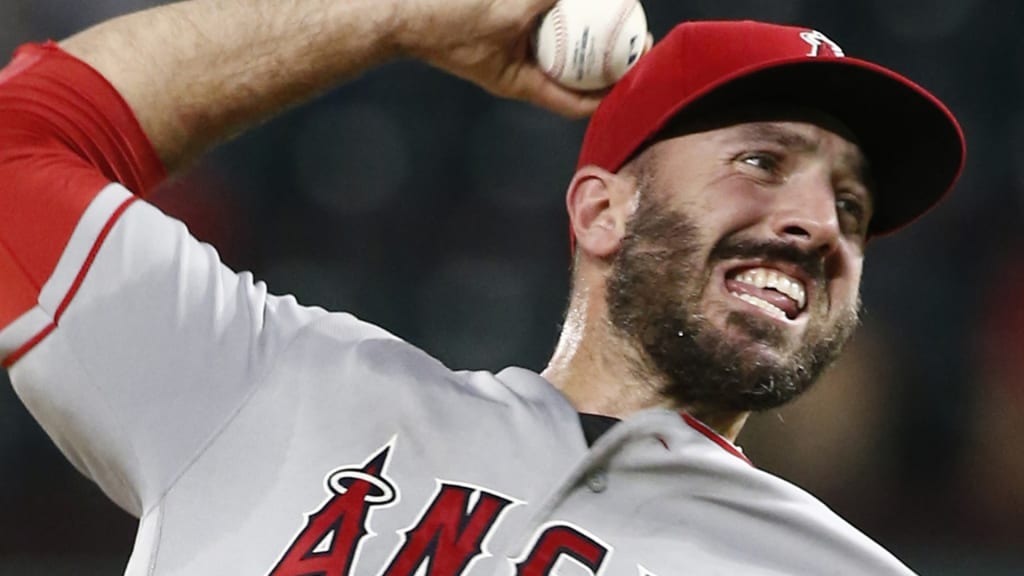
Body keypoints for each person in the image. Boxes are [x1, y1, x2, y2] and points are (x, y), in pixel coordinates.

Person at [0, 0, 964, 574]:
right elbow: (21, 143)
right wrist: (397, 17)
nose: (822, 226)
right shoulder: (272, 390)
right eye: (761, 161)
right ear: (601, 213)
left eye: (852, 204)